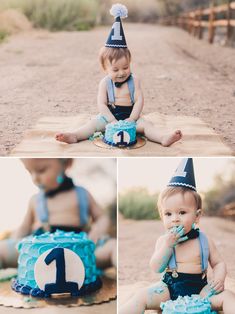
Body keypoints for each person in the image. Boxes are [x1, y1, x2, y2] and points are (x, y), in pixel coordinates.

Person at [55, 3, 182, 147]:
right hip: (109, 117)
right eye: (115, 70)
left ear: (130, 62)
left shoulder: (134, 80)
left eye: (126, 67)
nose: (121, 72)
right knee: (92, 125)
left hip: (130, 117)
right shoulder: (105, 83)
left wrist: (132, 119)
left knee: (147, 126)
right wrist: (111, 120)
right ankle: (74, 135)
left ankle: (163, 138)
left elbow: (139, 100)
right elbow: (102, 104)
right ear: (105, 68)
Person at [119, 158, 235, 314]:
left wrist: (219, 279)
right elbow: (156, 267)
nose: (174, 218)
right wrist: (167, 246)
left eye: (182, 212)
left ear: (197, 216)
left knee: (228, 297)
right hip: (168, 289)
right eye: (168, 214)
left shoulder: (204, 240)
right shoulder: (163, 241)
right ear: (162, 216)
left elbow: (219, 263)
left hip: (200, 290)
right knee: (140, 296)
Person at [0, 158, 116, 269]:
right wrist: (15, 241)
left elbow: (102, 216)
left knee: (114, 247)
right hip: (39, 253)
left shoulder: (82, 194)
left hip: (81, 252)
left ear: (67, 163)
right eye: (30, 172)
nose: (35, 178)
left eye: (41, 170)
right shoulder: (34, 200)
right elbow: (24, 228)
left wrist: (98, 230)